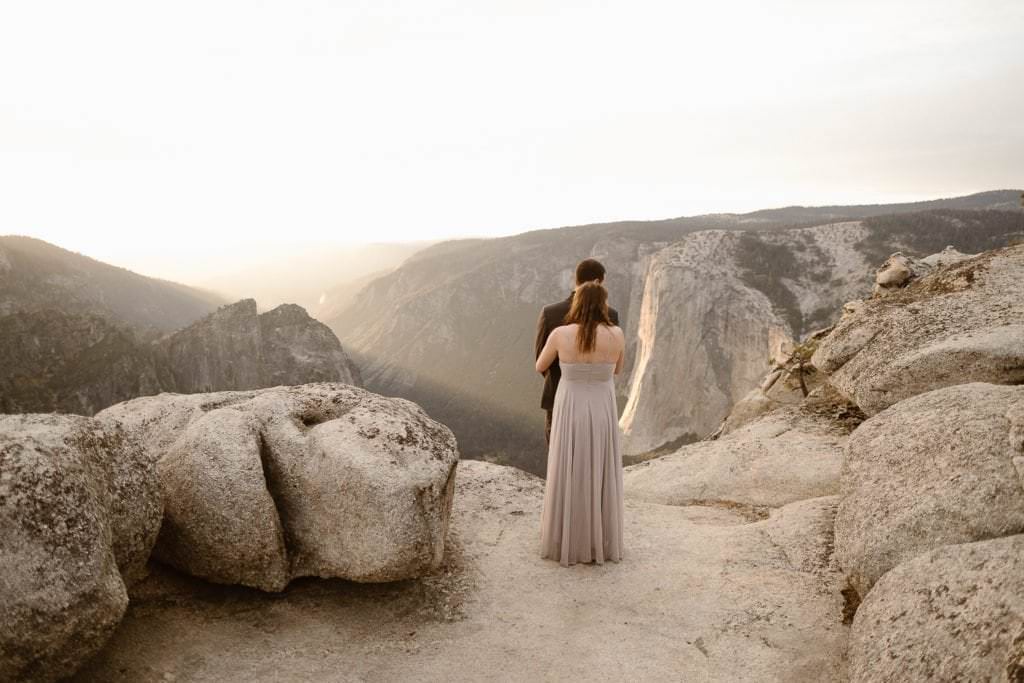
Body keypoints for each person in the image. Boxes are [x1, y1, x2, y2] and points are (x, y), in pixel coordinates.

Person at [534, 279, 625, 566]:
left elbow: (540, 365)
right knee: (599, 466)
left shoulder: (561, 334)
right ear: (603, 305)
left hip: (570, 404)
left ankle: (566, 538)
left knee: (568, 464)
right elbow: (619, 369)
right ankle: (599, 540)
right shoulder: (617, 334)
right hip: (602, 406)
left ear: (577, 303)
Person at [534, 259, 619, 445]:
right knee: (594, 451)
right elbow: (612, 363)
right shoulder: (611, 315)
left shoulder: (550, 313)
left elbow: (541, 363)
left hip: (559, 396)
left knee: (561, 454)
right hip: (598, 399)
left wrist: (566, 380)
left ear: (576, 280)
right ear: (597, 282)